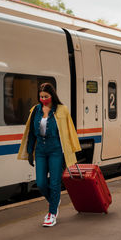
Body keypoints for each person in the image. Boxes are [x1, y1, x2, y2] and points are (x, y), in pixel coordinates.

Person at [17, 83, 81, 227]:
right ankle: (54, 200)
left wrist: (69, 152)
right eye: (41, 96)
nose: (43, 99)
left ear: (52, 96)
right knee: (40, 183)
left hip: (55, 150)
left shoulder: (62, 110)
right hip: (40, 150)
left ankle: (52, 214)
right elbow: (32, 133)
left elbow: (68, 131)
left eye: (46, 96)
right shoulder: (35, 110)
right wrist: (29, 152)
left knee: (54, 183)